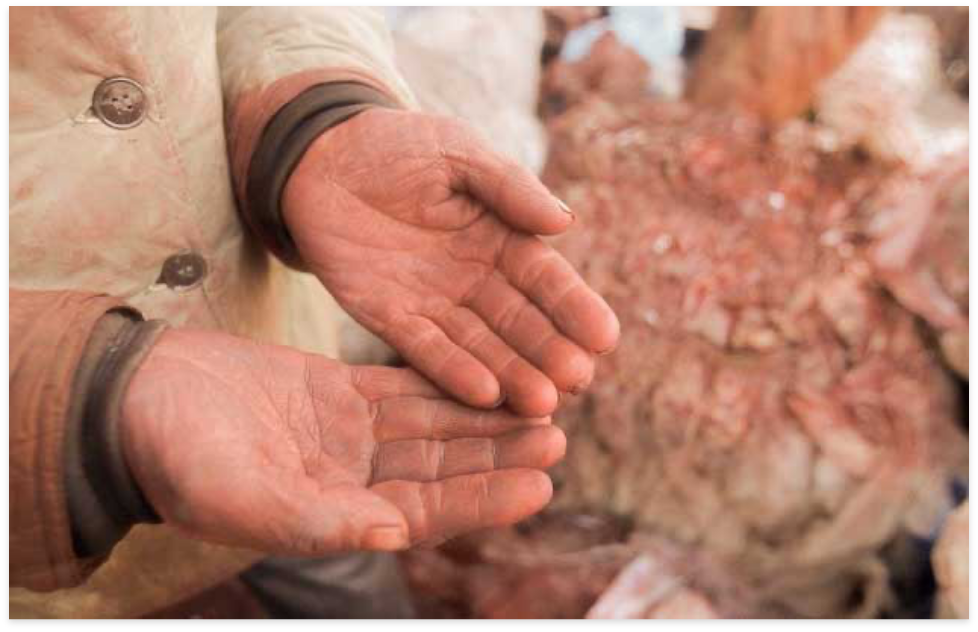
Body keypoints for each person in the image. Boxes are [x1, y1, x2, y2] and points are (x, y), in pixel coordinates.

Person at [8, 6, 620, 619]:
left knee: (350, 553)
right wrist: (71, 406)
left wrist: (313, 115)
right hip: (36, 505)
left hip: (293, 392)